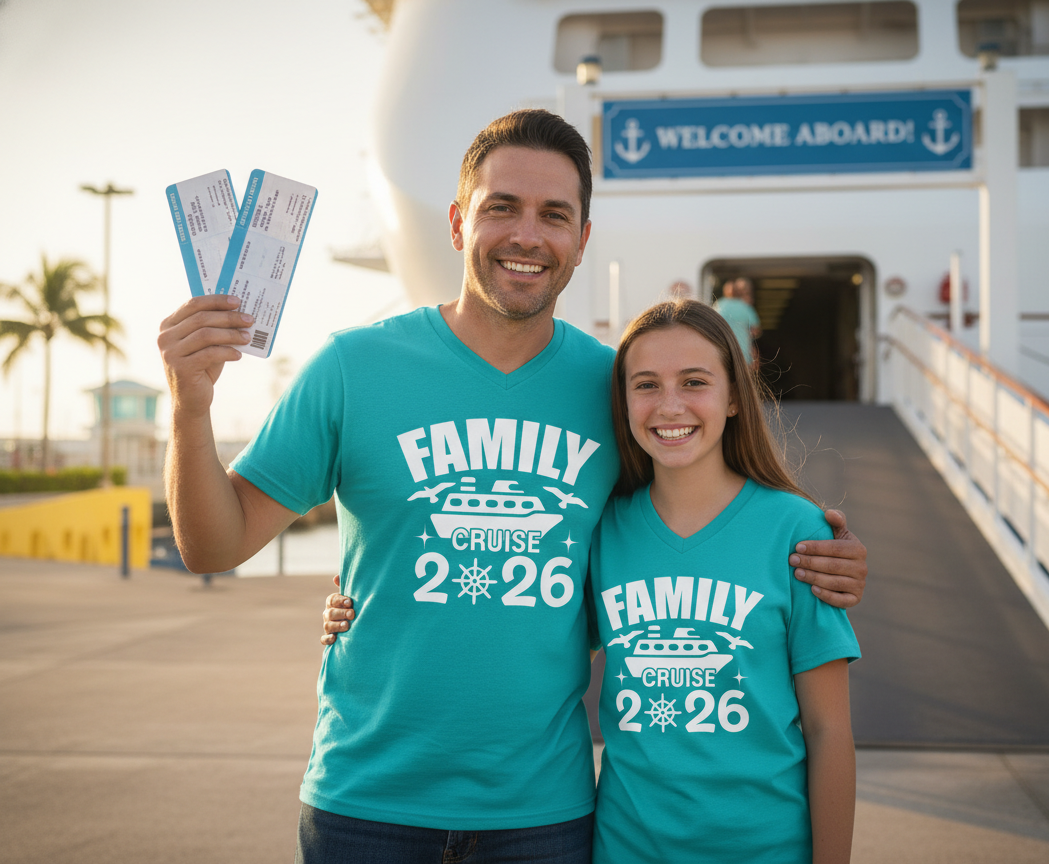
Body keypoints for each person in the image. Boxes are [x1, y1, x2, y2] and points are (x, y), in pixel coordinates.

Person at [160, 109, 866, 864]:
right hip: (365, 804)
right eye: (502, 207)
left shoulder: (617, 388)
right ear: (458, 223)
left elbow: (681, 531)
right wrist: (190, 407)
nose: (527, 235)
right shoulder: (351, 368)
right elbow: (214, 546)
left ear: (581, 241)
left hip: (542, 815)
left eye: (553, 215)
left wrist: (819, 557)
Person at [325, 299, 859, 863]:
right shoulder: (602, 531)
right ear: (622, 403)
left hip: (766, 848)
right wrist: (365, 604)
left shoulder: (798, 532)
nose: (669, 405)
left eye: (695, 382)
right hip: (624, 848)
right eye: (646, 385)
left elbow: (828, 731)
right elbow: (520, 616)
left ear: (733, 397)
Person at [713, 276, 762, 369]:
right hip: (743, 352)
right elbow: (756, 330)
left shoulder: (718, 305)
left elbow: (710, 327)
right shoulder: (745, 306)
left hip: (723, 350)